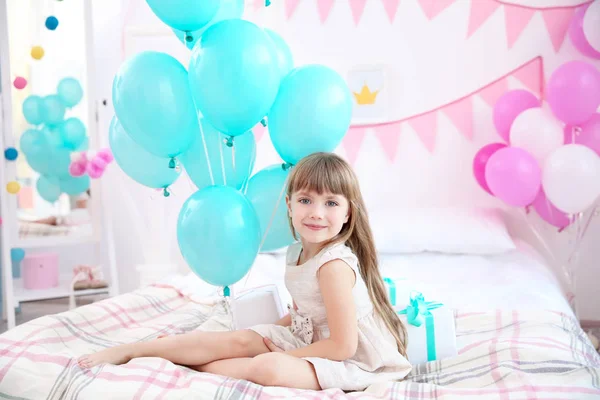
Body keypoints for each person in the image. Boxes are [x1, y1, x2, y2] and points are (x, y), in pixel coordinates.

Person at [78, 152, 411, 391]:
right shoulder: (298, 251)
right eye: (306, 200)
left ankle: (191, 362)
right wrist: (266, 333)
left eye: (331, 203)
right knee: (241, 338)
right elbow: (306, 313)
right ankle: (134, 350)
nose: (316, 213)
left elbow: (343, 347)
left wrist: (289, 353)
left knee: (269, 366)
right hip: (313, 340)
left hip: (355, 361)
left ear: (348, 213)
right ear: (289, 205)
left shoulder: (333, 266)